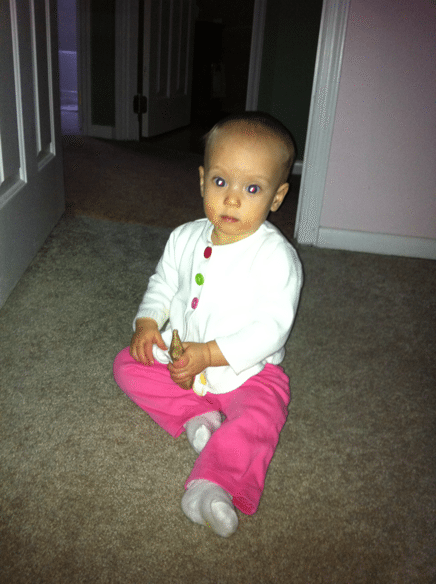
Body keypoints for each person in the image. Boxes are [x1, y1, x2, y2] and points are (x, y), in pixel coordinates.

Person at [113, 112, 303, 537]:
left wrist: (212, 355)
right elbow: (163, 283)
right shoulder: (184, 237)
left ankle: (212, 486)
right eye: (221, 182)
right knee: (127, 364)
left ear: (277, 196)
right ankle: (198, 417)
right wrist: (147, 322)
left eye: (252, 188)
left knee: (262, 415)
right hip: (181, 358)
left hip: (249, 372)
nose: (232, 200)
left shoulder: (276, 257)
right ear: (202, 181)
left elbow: (271, 327)